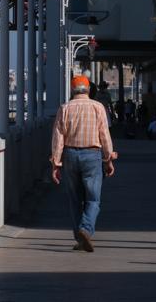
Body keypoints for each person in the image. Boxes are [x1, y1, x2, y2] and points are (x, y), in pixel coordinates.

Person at [50, 76, 117, 252]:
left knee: (74, 199)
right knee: (93, 198)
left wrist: (56, 164)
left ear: (73, 90)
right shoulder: (98, 107)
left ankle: (79, 238)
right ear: (88, 90)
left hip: (70, 155)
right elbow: (104, 135)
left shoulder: (64, 108)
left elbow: (58, 139)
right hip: (92, 155)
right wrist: (108, 159)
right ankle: (85, 229)